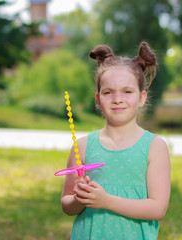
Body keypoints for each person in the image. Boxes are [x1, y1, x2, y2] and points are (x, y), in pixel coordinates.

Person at [61, 41, 171, 240]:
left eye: (127, 91)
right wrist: (80, 199)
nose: (117, 99)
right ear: (98, 100)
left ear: (142, 98)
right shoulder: (83, 147)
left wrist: (106, 201)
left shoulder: (154, 147)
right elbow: (67, 205)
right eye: (108, 92)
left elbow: (157, 208)